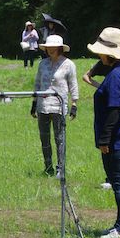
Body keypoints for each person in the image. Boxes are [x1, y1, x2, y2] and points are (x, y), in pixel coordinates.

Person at [87, 27, 120, 238]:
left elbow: (114, 110)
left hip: (119, 138)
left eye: (101, 52)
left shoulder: (117, 75)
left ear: (109, 53)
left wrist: (104, 139)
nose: (99, 56)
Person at [83, 54, 120, 190]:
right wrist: (103, 88)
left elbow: (115, 109)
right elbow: (86, 76)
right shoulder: (116, 66)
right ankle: (116, 180)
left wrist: (104, 139)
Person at [31, 35, 79, 178]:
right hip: (43, 106)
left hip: (59, 106)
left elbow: (73, 85)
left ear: (59, 48)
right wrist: (34, 103)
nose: (50, 49)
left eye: (53, 47)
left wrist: (74, 104)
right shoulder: (42, 64)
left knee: (60, 138)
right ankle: (48, 167)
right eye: (48, 47)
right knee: (44, 138)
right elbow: (37, 83)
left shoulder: (69, 64)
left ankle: (60, 169)